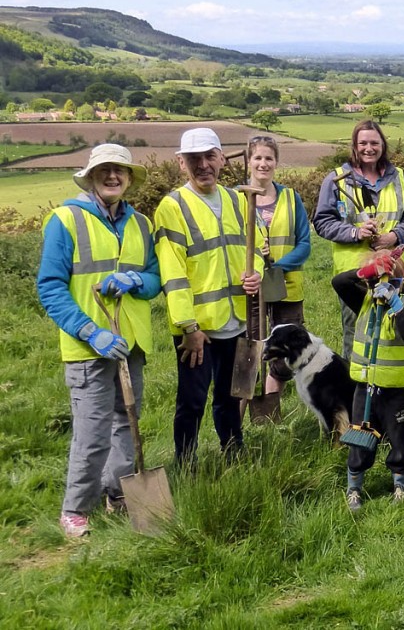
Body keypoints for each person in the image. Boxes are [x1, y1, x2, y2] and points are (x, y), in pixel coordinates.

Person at [38, 144, 160, 538]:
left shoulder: (141, 223)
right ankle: (76, 508)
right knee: (92, 431)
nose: (113, 176)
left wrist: (137, 280)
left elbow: (155, 278)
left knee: (126, 422)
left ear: (128, 178)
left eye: (120, 171)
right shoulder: (65, 220)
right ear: (91, 176)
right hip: (89, 345)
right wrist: (91, 331)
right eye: (104, 170)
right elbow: (51, 287)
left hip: (131, 344)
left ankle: (118, 493)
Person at [154, 127, 262, 465]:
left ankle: (233, 454)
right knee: (192, 400)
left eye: (208, 157)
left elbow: (254, 245)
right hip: (198, 330)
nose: (203, 165)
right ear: (181, 163)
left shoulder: (235, 199)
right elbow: (172, 273)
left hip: (236, 320)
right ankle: (185, 464)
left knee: (230, 397)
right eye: (194, 159)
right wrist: (189, 328)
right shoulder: (172, 207)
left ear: (220, 158)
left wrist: (255, 272)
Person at [313, 121, 404, 356]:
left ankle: (386, 383)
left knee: (393, 328)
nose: (369, 148)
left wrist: (395, 236)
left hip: (393, 273)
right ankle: (355, 387)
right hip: (354, 276)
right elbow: (322, 221)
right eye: (363, 143)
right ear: (354, 146)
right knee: (357, 332)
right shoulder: (337, 180)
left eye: (374, 142)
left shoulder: (401, 179)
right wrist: (355, 233)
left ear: (383, 145)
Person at [332, 250, 404, 510]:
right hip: (365, 388)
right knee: (360, 438)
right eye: (374, 281)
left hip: (397, 389)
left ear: (400, 282)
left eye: (388, 281)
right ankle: (354, 487)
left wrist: (395, 301)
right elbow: (339, 282)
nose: (379, 286)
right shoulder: (364, 301)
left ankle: (401, 483)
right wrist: (365, 273)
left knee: (400, 438)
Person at [246, 135, 311, 407]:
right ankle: (242, 409)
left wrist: (276, 267)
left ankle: (271, 407)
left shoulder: (291, 198)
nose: (263, 164)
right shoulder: (237, 199)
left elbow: (305, 244)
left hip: (287, 287)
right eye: (258, 158)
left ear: (276, 162)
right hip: (249, 288)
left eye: (269, 158)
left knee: (287, 350)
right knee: (249, 350)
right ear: (249, 161)